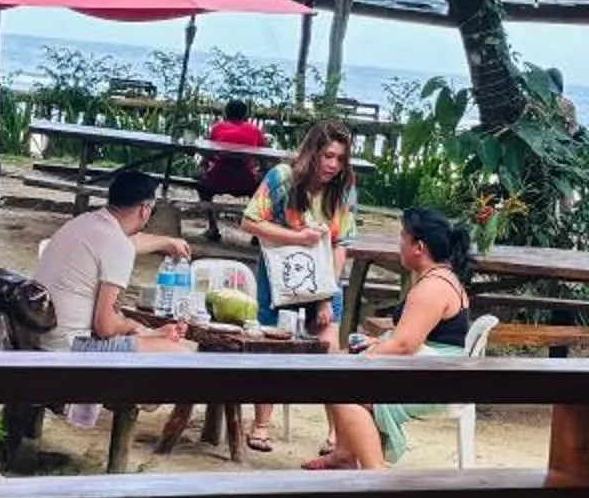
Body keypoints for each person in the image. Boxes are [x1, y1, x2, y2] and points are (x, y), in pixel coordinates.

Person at [310, 205, 474, 470]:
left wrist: (363, 358)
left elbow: (404, 344)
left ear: (418, 247)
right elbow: (412, 338)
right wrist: (374, 345)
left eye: (402, 237)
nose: (399, 243)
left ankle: (376, 474)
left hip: (437, 378)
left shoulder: (433, 287)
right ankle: (344, 454)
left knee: (341, 382)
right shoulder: (439, 278)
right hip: (435, 367)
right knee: (340, 362)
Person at [238, 119, 356, 452]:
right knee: (271, 353)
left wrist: (324, 297)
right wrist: (298, 237)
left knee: (330, 356)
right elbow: (250, 222)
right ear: (313, 152)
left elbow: (340, 244)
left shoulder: (343, 191)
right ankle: (261, 425)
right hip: (278, 283)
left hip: (325, 285)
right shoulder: (281, 179)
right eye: (328, 155)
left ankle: (337, 434)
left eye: (340, 159)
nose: (333, 165)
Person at [30, 168, 192, 351]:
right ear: (145, 210)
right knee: (179, 354)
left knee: (153, 339)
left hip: (39, 336)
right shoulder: (118, 244)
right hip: (67, 348)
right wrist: (142, 330)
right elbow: (105, 327)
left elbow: (129, 243)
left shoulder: (86, 222)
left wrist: (168, 243)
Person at [194, 97, 270, 204]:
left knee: (200, 181)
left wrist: (202, 167)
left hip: (217, 180)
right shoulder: (255, 131)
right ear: (245, 115)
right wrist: (260, 171)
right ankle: (251, 214)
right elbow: (264, 160)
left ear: (226, 113)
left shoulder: (217, 128)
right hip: (246, 182)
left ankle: (208, 212)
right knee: (263, 180)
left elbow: (208, 156)